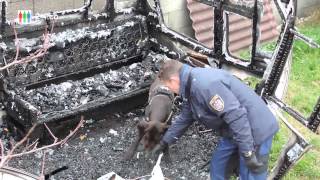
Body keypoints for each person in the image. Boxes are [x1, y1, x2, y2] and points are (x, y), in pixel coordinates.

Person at [153, 60, 279, 180]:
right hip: (232, 130)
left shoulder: (205, 86)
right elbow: (186, 117)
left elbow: (237, 117)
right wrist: (165, 141)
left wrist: (247, 152)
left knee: (250, 173)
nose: (170, 90)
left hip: (255, 129)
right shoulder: (189, 86)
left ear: (174, 80)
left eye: (168, 86)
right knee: (218, 166)